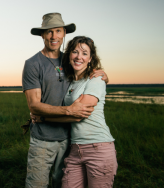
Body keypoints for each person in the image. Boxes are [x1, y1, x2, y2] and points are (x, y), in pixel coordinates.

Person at [22, 13, 109, 188]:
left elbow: (87, 69)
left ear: (64, 34)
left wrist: (104, 75)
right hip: (43, 139)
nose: (54, 36)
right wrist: (69, 110)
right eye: (49, 32)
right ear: (42, 35)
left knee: (63, 184)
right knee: (36, 184)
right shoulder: (33, 64)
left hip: (70, 140)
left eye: (58, 31)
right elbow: (34, 105)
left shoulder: (70, 59)